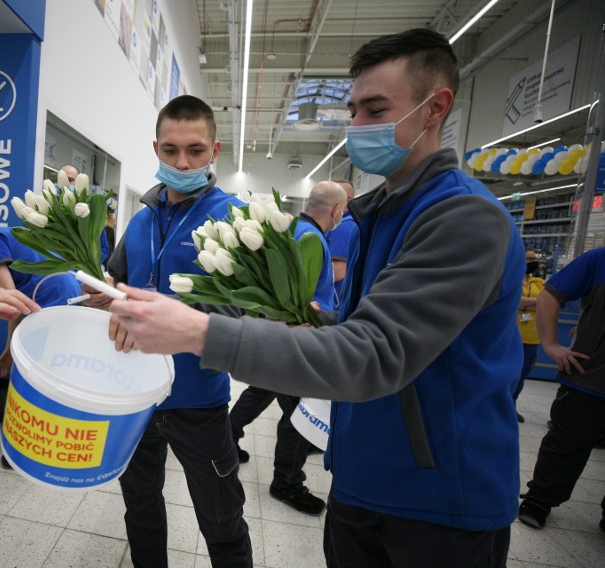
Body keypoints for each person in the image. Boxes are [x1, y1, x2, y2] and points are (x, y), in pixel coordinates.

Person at [109, 29, 524, 567]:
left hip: (438, 497)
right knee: (141, 504)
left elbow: (375, 352)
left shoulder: (463, 217)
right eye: (353, 111)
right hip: (359, 473)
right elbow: (347, 328)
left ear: (434, 108)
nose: (357, 128)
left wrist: (196, 330)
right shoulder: (380, 216)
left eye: (374, 109)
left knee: (221, 519)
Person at [88, 94, 252, 567]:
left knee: (221, 520)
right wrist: (105, 297)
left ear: (215, 151)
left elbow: (244, 316)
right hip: (134, 394)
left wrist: (156, 310)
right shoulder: (140, 223)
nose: (183, 161)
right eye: (171, 150)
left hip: (198, 399)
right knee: (140, 507)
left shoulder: (233, 221)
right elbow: (115, 283)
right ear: (155, 148)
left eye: (196, 151)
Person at [229, 180, 346, 517]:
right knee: (297, 412)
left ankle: (228, 437)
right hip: (300, 339)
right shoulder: (313, 241)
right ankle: (287, 482)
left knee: (262, 389)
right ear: (337, 210)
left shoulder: (288, 232)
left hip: (275, 335)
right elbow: (306, 301)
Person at [0, 227, 81, 468]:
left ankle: (25, 451)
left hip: (49, 301)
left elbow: (8, 298)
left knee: (33, 379)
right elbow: (15, 305)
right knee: (42, 374)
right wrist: (10, 349)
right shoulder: (3, 236)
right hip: (61, 298)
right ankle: (41, 446)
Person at [518, 246, 605, 533]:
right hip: (588, 377)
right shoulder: (599, 259)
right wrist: (551, 345)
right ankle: (540, 498)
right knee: (567, 442)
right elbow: (551, 294)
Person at [515, 249, 546, 423]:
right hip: (512, 334)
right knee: (507, 373)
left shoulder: (539, 282)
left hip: (532, 336)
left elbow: (546, 302)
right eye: (528, 258)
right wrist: (535, 302)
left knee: (522, 375)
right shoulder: (512, 277)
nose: (532, 261)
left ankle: (511, 404)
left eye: (534, 259)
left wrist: (524, 303)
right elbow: (515, 300)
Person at [58, 163, 111, 266]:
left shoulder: (91, 211)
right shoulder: (52, 210)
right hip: (58, 274)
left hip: (84, 274)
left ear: (78, 182)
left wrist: (87, 266)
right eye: (63, 179)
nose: (67, 184)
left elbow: (103, 248)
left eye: (70, 179)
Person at [326, 179, 357, 303]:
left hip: (334, 301)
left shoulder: (343, 226)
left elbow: (339, 270)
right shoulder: (340, 223)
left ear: (348, 199)